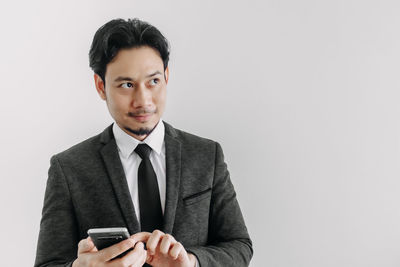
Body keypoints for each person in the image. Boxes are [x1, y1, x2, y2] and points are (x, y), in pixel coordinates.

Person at [34, 18, 253, 267]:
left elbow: (239, 246)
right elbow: (46, 263)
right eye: (127, 85)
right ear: (101, 86)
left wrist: (191, 262)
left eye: (153, 81)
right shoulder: (69, 168)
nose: (143, 100)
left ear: (166, 77)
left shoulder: (206, 155)